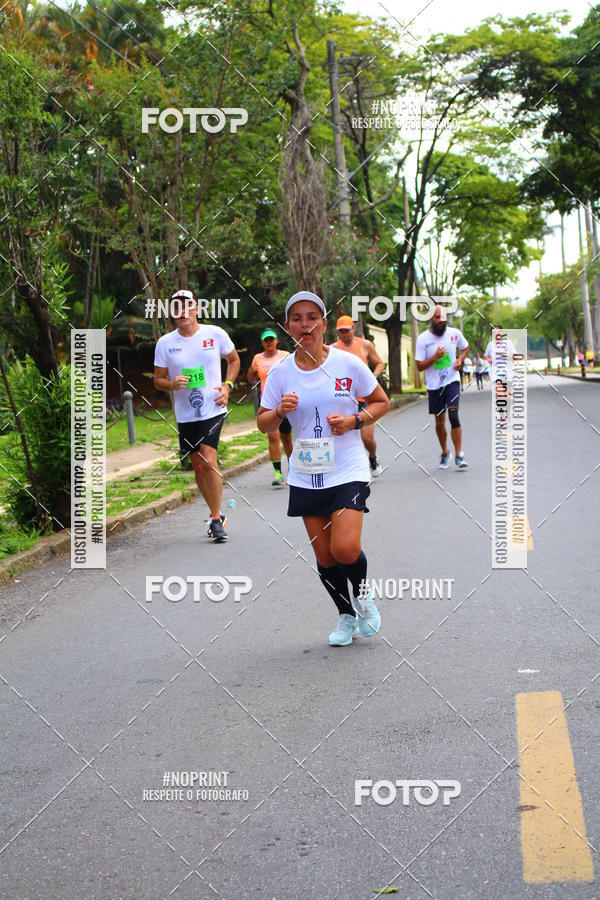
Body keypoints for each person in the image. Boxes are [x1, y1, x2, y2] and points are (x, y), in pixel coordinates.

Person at [258, 291, 390, 647]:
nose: (305, 325)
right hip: (306, 472)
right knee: (325, 555)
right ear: (288, 327)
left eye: (312, 317)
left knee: (345, 548)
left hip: (347, 467)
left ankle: (362, 596)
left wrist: (353, 420)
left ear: (323, 324)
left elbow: (381, 401)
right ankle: (345, 616)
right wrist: (280, 412)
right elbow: (263, 423)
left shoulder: (348, 364)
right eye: (297, 318)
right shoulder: (280, 373)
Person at [154, 289, 240, 543]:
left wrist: (227, 387)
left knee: (208, 459)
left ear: (196, 309)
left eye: (186, 306)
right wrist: (172, 384)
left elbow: (234, 361)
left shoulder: (214, 334)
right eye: (176, 308)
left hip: (213, 407)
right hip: (186, 413)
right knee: (198, 466)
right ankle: (217, 512)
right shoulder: (165, 343)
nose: (182, 311)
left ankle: (215, 520)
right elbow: (158, 380)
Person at [415, 305, 470, 470]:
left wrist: (460, 360)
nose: (441, 321)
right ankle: (445, 452)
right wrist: (435, 357)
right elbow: (419, 366)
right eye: (438, 317)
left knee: (453, 414)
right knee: (440, 422)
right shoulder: (423, 339)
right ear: (432, 318)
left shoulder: (454, 334)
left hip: (452, 380)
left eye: (444, 318)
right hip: (434, 386)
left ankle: (459, 454)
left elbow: (465, 347)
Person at [333, 315, 386, 477]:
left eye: (346, 330)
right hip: (344, 399)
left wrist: (373, 377)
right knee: (343, 438)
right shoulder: (333, 349)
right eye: (340, 331)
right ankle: (349, 469)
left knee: (366, 437)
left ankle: (372, 457)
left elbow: (379, 363)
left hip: (365, 400)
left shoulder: (365, 345)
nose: (344, 334)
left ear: (353, 329)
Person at [247, 328, 292, 486]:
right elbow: (251, 379)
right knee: (273, 436)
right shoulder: (258, 358)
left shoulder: (285, 356)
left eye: (271, 339)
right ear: (262, 343)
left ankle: (292, 467)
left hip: (285, 401)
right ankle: (278, 473)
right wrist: (252, 371)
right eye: (266, 340)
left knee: (286, 436)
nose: (269, 343)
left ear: (277, 340)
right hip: (268, 402)